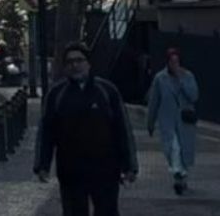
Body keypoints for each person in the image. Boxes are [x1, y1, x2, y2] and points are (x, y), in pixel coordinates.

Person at [33, 42, 138, 216]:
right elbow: (46, 132)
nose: (75, 65)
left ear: (88, 63)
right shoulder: (57, 94)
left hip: (105, 168)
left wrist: (129, 165)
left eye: (79, 60)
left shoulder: (107, 91)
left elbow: (122, 129)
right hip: (71, 170)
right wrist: (42, 164)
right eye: (70, 62)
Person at [147, 47, 199, 195]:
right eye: (171, 61)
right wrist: (150, 122)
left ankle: (181, 177)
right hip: (168, 121)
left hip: (184, 120)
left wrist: (182, 80)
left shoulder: (188, 76)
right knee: (173, 148)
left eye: (176, 61)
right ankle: (178, 174)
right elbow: (154, 101)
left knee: (183, 150)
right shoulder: (160, 78)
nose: (174, 64)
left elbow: (194, 96)